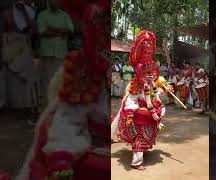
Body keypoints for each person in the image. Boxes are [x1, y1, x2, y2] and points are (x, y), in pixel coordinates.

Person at [15, 0, 111, 179]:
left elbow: (67, 31)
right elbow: (67, 121)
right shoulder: (81, 71)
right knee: (51, 91)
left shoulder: (65, 18)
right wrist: (61, 158)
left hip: (60, 51)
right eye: (101, 22)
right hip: (50, 55)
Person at [111, 31, 174, 171]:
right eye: (147, 73)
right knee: (140, 138)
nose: (151, 75)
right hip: (140, 115)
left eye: (153, 72)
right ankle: (136, 162)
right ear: (141, 72)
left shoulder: (153, 83)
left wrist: (166, 90)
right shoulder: (136, 85)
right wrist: (129, 113)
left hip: (151, 114)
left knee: (147, 135)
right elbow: (132, 100)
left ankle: (141, 153)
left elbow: (156, 94)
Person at [0, 2, 38, 114]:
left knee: (26, 78)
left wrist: (24, 11)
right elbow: (2, 32)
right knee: (11, 77)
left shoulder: (27, 10)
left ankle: (27, 105)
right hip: (9, 46)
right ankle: (10, 105)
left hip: (24, 46)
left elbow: (34, 29)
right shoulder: (4, 12)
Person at [37, 0, 74, 108]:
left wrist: (51, 28)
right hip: (47, 54)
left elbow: (71, 30)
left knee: (60, 84)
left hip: (61, 54)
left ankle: (58, 110)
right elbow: (42, 31)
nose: (56, 3)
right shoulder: (42, 15)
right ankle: (45, 110)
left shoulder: (65, 15)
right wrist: (61, 31)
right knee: (47, 84)